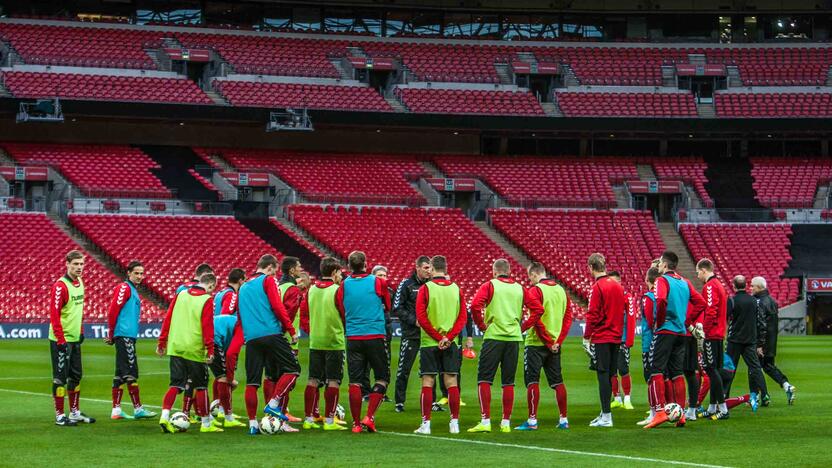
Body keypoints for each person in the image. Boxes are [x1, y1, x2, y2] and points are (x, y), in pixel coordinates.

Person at [467, 259, 544, 434]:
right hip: (513, 339)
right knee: (508, 382)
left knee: (484, 379)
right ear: (509, 271)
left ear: (495, 272)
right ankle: (506, 422)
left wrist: (481, 326)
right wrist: (522, 327)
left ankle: (485, 421)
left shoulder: (490, 285)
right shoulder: (520, 288)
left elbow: (474, 306)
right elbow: (538, 309)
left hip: (494, 336)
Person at [237, 254, 300, 435]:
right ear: (271, 267)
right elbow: (277, 306)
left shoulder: (243, 287)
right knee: (292, 369)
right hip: (271, 333)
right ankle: (273, 404)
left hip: (252, 339)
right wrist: (291, 330)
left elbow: (240, 316)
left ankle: (252, 424)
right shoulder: (268, 280)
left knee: (252, 382)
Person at [644, 251, 706, 429]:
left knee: (656, 371)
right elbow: (701, 303)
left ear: (664, 265)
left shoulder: (662, 280)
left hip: (665, 331)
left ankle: (660, 412)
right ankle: (681, 416)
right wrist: (687, 321)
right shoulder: (685, 282)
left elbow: (661, 299)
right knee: (677, 372)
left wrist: (661, 320)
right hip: (681, 333)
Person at [157, 273, 222, 433]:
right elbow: (207, 326)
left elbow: (168, 318)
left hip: (176, 345)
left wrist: (162, 341)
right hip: (194, 348)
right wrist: (210, 349)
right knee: (201, 386)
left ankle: (164, 417)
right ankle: (206, 424)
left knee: (175, 384)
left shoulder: (181, 294)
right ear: (211, 286)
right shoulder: (206, 299)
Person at [336, 251, 392, 433]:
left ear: (350, 266)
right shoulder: (378, 282)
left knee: (355, 381)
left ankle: (356, 424)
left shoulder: (343, 285)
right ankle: (369, 417)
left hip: (353, 337)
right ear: (366, 264)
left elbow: (340, 308)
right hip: (375, 335)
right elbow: (388, 305)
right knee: (382, 378)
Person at [412, 256, 467, 435]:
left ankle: (426, 424)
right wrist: (449, 337)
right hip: (451, 343)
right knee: (451, 382)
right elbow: (462, 318)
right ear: (445, 268)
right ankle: (454, 423)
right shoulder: (456, 289)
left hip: (430, 342)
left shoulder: (425, 288)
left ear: (432, 269)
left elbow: (421, 317)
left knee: (428, 381)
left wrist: (437, 337)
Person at [515, 262, 572, 431]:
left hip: (536, 343)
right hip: (554, 344)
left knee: (532, 381)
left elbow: (536, 318)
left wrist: (547, 341)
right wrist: (557, 341)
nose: (529, 279)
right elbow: (568, 319)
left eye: (529, 276)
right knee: (558, 382)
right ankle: (563, 419)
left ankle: (532, 421)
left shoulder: (535, 290)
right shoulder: (561, 290)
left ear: (534, 274)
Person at [300, 257, 348, 431]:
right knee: (333, 381)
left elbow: (304, 312)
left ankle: (308, 419)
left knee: (313, 379)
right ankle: (329, 421)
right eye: (339, 272)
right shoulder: (337, 290)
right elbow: (344, 314)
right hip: (334, 341)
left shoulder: (311, 290)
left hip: (316, 340)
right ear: (334, 272)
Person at [49, 250, 95, 426]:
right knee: (60, 377)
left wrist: (81, 330)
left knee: (76, 376)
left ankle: (74, 412)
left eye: (81, 264)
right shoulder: (60, 286)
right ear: (67, 264)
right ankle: (60, 415)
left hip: (74, 339)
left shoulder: (80, 282)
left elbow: (79, 310)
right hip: (61, 340)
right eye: (75, 264)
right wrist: (60, 339)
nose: (79, 267)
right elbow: (54, 315)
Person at [106, 260, 156, 420]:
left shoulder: (133, 290)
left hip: (128, 334)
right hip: (124, 334)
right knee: (131, 372)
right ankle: (138, 408)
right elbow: (113, 309)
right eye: (137, 273)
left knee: (120, 373)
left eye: (142, 273)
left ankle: (116, 410)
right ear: (129, 273)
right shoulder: (124, 288)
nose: (140, 276)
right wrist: (111, 332)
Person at [583, 254, 625, 428]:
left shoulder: (597, 287)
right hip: (616, 337)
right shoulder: (617, 286)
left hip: (602, 336)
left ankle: (606, 416)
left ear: (591, 267)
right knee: (609, 375)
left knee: (602, 376)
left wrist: (586, 336)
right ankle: (604, 413)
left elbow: (593, 314)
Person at [392, 256, 432, 412]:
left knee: (429, 370)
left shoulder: (432, 285)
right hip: (411, 334)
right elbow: (397, 307)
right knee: (404, 369)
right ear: (418, 268)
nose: (429, 271)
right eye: (426, 268)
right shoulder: (406, 284)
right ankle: (399, 402)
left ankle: (432, 401)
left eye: (430, 268)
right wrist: (413, 320)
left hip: (429, 335)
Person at [175, 263, 214, 419]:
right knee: (196, 379)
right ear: (202, 276)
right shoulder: (195, 293)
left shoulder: (181, 289)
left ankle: (192, 412)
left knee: (190, 378)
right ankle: (196, 414)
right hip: (194, 340)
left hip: (181, 339)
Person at [724, 275, 767, 411]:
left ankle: (725, 396)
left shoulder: (732, 300)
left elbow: (725, 318)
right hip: (750, 340)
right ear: (746, 285)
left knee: (730, 369)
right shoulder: (755, 301)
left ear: (734, 286)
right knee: (755, 368)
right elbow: (760, 321)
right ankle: (765, 395)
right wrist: (759, 341)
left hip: (735, 340)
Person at [752, 276, 796, 405]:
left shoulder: (759, 302)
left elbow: (762, 325)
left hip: (762, 342)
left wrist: (759, 344)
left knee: (755, 368)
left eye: (752, 285)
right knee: (768, 367)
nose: (751, 288)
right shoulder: (772, 301)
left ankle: (759, 397)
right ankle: (786, 385)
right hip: (771, 342)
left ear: (759, 287)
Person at [696, 259, 730, 420]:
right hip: (718, 333)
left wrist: (704, 331)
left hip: (712, 334)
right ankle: (712, 407)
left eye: (698, 273)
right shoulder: (719, 285)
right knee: (714, 368)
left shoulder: (710, 286)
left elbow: (711, 311)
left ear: (704, 270)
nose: (698, 276)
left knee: (711, 370)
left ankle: (722, 408)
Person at [273, 256, 305, 422]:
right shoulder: (293, 290)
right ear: (292, 270)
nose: (300, 269)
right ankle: (282, 412)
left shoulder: (279, 286)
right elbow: (289, 312)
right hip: (287, 338)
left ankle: (275, 411)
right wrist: (290, 332)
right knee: (289, 376)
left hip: (274, 335)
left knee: (273, 377)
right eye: (299, 266)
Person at [210, 312, 245, 428]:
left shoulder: (235, 322)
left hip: (205, 337)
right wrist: (230, 378)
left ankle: (218, 411)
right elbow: (231, 353)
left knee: (198, 379)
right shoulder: (243, 326)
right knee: (224, 379)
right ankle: (228, 418)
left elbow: (230, 350)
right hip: (212, 340)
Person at [607, 271, 635, 411]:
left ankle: (627, 398)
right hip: (609, 339)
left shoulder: (626, 297)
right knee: (611, 370)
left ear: (619, 282)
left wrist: (629, 340)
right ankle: (617, 398)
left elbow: (631, 318)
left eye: (613, 281)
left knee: (624, 369)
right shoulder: (608, 297)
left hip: (622, 340)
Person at [637, 267, 661, 426]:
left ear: (647, 280)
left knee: (650, 378)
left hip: (649, 342)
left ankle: (653, 412)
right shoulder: (661, 296)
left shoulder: (648, 297)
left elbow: (651, 321)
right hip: (662, 340)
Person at [370, 265, 394, 403]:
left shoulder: (389, 291)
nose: (383, 278)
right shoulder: (370, 292)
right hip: (373, 329)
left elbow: (391, 309)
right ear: (374, 277)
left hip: (386, 329)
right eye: (380, 275)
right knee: (368, 363)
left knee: (386, 362)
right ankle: (367, 392)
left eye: (385, 275)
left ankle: (382, 393)